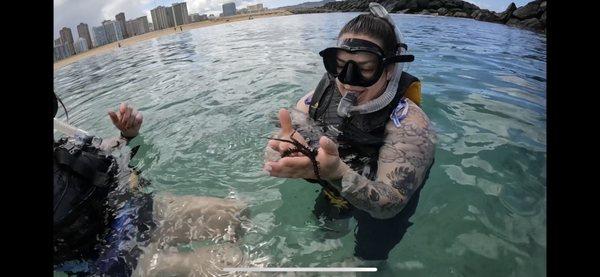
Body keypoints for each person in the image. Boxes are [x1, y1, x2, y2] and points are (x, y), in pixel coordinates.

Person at [264, 2, 436, 262]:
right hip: (335, 186)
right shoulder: (317, 99)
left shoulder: (410, 125)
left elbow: (391, 203)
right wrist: (283, 148)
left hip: (378, 207)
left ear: (390, 70)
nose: (348, 81)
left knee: (368, 261)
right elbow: (280, 141)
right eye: (341, 65)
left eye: (365, 68)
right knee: (323, 233)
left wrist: (337, 173)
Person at [52, 93, 250, 276]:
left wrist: (127, 136)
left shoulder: (62, 146)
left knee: (237, 213)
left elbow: (105, 152)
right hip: (115, 259)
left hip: (131, 213)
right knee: (240, 267)